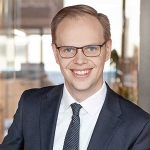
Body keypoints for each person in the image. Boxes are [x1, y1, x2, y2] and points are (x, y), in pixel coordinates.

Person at [0, 4, 150, 150]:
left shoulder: (138, 126)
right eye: (68, 49)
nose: (79, 60)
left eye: (91, 48)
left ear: (107, 50)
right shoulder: (30, 106)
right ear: (56, 53)